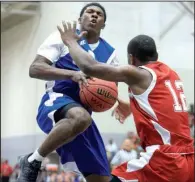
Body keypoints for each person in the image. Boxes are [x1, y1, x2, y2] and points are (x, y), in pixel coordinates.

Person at [57, 21, 194, 182]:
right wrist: (133, 107)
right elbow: (167, 108)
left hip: (165, 160)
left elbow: (89, 67)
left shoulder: (138, 73)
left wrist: (70, 41)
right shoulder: (171, 74)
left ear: (131, 58)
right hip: (189, 159)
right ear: (155, 54)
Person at [17, 3, 119, 182]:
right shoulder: (63, 37)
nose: (94, 15)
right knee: (80, 117)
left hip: (83, 115)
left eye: (99, 14)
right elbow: (34, 69)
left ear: (104, 24)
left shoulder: (111, 55)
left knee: (102, 179)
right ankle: (33, 161)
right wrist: (71, 74)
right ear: (80, 19)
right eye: (89, 12)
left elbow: (109, 87)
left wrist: (118, 100)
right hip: (56, 100)